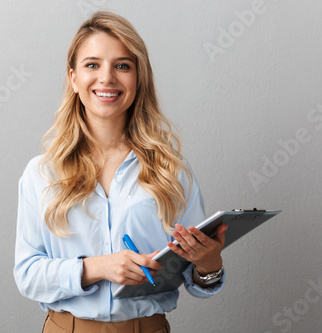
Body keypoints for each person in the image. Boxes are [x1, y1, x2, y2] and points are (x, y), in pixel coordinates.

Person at [14, 11, 228, 333]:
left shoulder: (171, 171)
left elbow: (195, 281)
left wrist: (209, 265)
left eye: (122, 65)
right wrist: (96, 267)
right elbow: (28, 276)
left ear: (138, 77)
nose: (107, 78)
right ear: (73, 78)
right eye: (92, 65)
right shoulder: (41, 173)